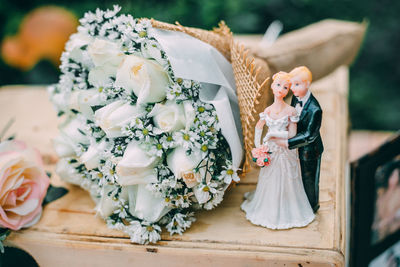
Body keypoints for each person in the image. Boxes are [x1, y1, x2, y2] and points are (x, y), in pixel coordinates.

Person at [241, 71, 315, 229]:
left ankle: (288, 209)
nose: (281, 89)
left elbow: (292, 134)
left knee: (287, 177)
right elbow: (258, 127)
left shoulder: (290, 111)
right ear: (273, 86)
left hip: (284, 148)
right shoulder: (267, 111)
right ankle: (269, 207)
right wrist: (258, 145)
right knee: (270, 177)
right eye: (278, 85)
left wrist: (274, 135)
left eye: (285, 87)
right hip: (271, 149)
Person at [273, 66, 324, 212]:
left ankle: (311, 206)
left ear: (307, 84)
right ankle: (298, 203)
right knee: (296, 178)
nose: (292, 88)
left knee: (309, 180)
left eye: (296, 84)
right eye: (291, 84)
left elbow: (309, 135)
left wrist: (288, 142)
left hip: (310, 151)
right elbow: (292, 117)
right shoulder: (295, 98)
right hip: (295, 146)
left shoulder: (315, 109)